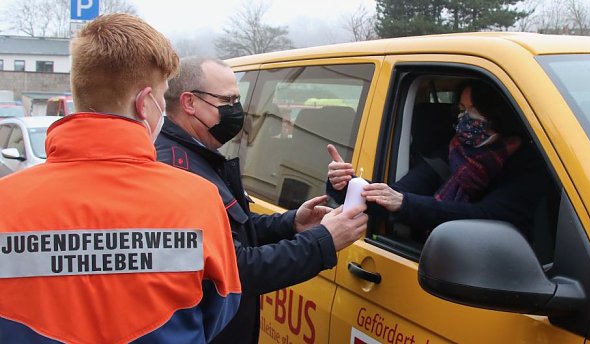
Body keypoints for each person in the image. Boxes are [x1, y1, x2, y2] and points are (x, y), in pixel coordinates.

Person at [0, 14, 241, 343]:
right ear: (144, 103)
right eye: (163, 96)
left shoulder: (5, 200)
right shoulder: (199, 198)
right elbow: (220, 307)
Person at [155, 56, 368, 344]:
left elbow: (232, 227)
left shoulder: (198, 153)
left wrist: (292, 222)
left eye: (237, 100)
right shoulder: (179, 170)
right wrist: (324, 241)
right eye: (227, 100)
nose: (237, 111)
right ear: (189, 103)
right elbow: (236, 268)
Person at [327, 80, 549, 238]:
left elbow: (488, 216)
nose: (465, 119)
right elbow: (392, 196)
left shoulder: (529, 164)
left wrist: (405, 203)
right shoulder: (451, 153)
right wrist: (346, 184)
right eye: (462, 110)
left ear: (499, 115)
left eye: (474, 111)